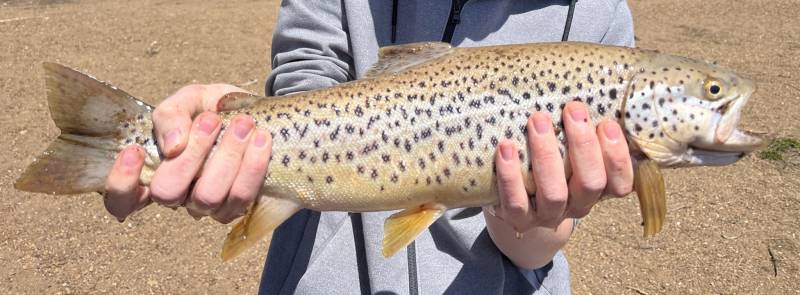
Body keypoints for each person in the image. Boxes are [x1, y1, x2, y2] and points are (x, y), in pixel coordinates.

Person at [103, 1, 635, 293]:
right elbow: (306, 84)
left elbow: (533, 248)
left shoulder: (601, 19)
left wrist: (532, 216)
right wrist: (235, 125)